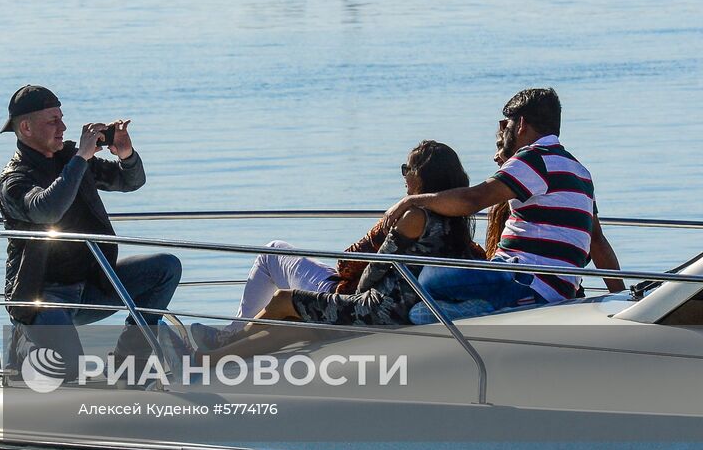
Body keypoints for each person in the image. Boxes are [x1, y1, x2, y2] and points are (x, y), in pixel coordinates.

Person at [202, 142, 482, 356]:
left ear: (421, 176)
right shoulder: (455, 221)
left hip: (382, 311)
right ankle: (212, 359)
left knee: (283, 299)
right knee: (298, 329)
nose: (404, 176)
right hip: (405, 309)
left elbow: (376, 266)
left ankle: (226, 340)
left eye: (406, 169)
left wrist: (351, 297)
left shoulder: (415, 216)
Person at [0, 85, 181, 378]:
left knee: (165, 268)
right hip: (42, 297)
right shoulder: (14, 180)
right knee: (69, 369)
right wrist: (81, 157)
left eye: (61, 118)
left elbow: (130, 181)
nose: (63, 127)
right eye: (52, 121)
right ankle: (22, 346)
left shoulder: (71, 158)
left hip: (93, 285)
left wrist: (126, 153)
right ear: (26, 128)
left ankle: (129, 357)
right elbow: (47, 210)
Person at [384, 88, 623, 314]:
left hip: (525, 283)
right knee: (421, 315)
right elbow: (597, 241)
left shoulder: (533, 158)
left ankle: (498, 309)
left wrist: (412, 201)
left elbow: (473, 199)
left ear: (521, 125)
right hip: (556, 289)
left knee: (431, 276)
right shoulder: (580, 171)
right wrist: (622, 298)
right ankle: (482, 311)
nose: (505, 132)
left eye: (507, 125)